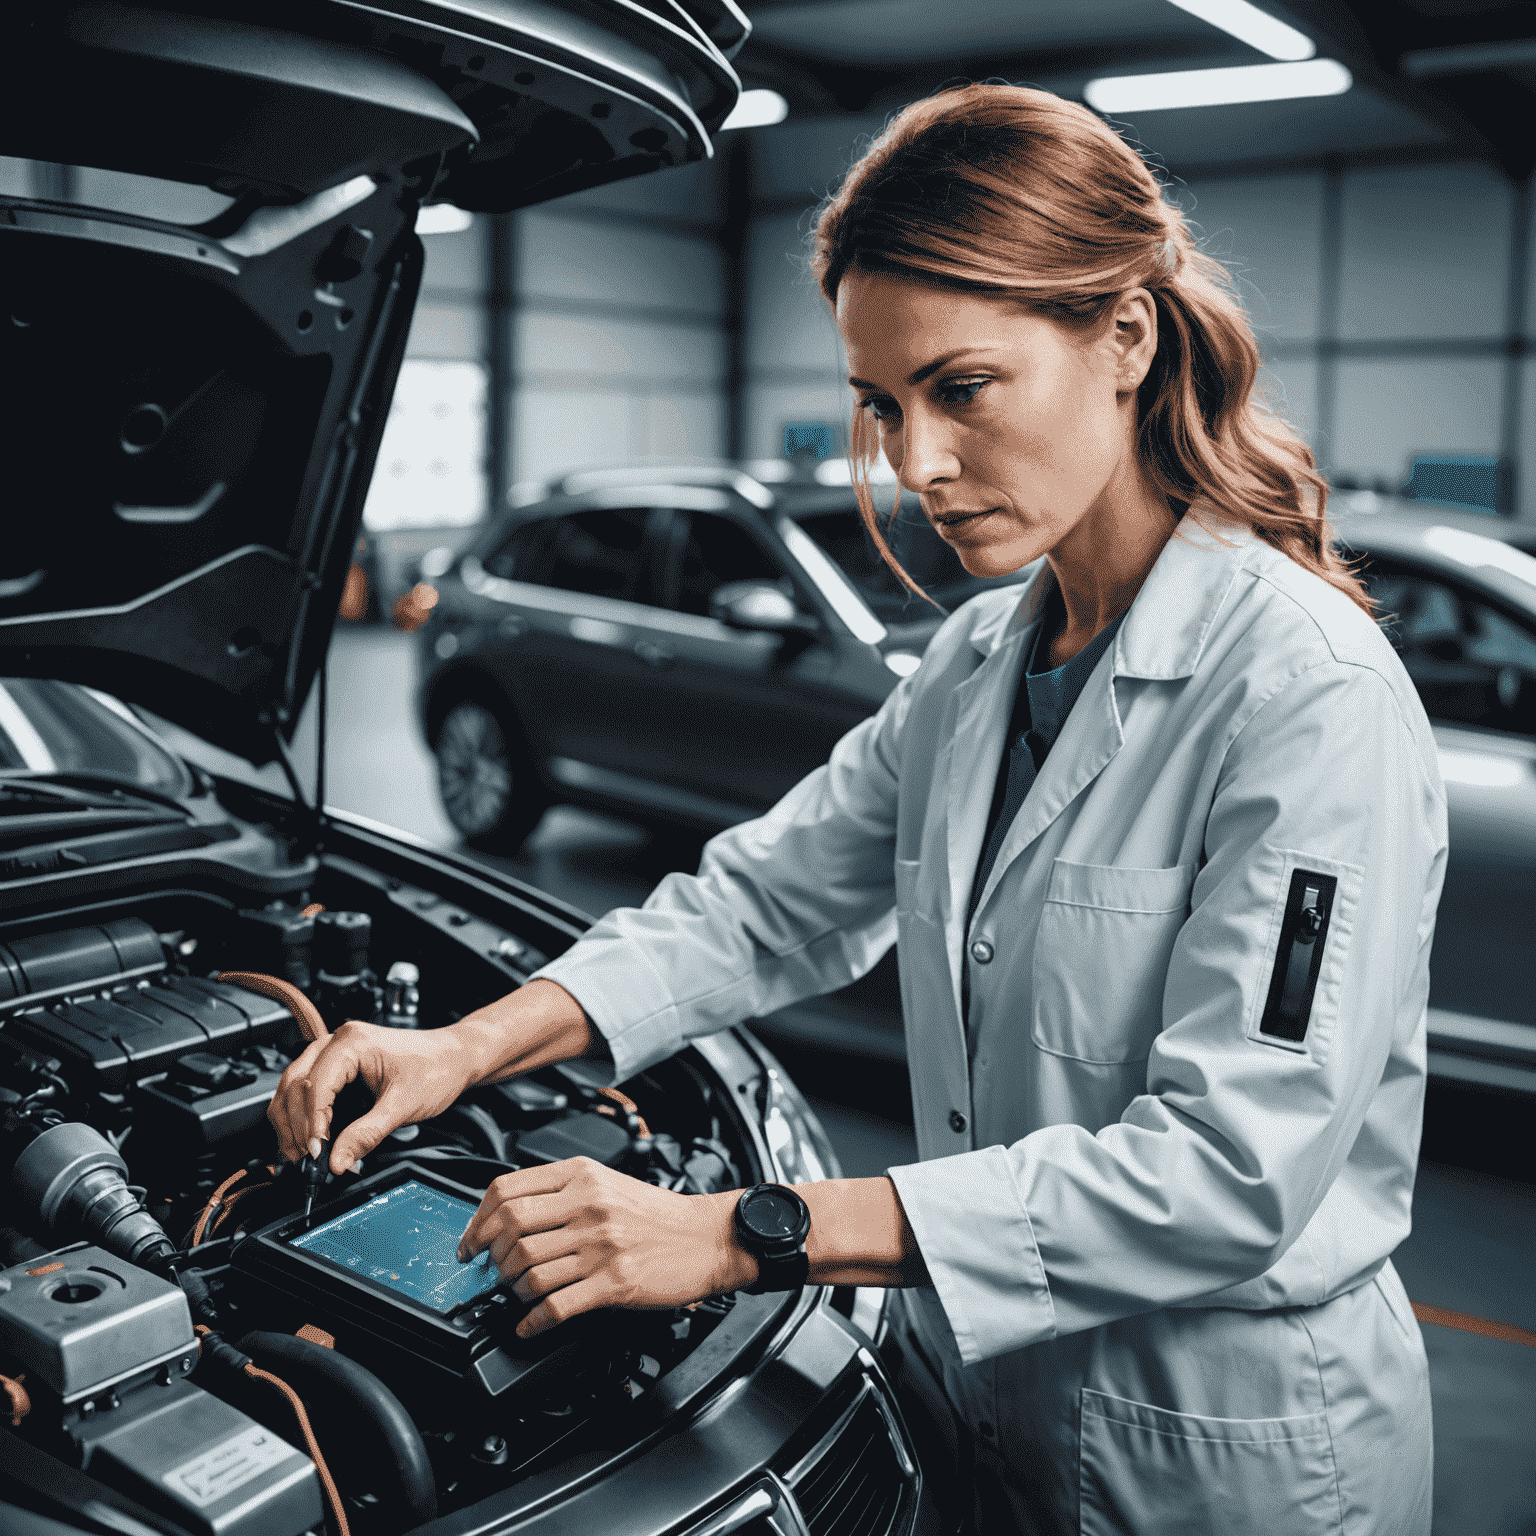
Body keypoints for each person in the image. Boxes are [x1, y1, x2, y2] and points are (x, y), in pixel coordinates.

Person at [269, 85, 1444, 1534]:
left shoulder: (1304, 692)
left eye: (962, 388)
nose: (914, 462)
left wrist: (736, 1235)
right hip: (982, 1398)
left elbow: (1228, 1172)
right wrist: (467, 1045)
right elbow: (764, 904)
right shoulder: (977, 659)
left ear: (1125, 339)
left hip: (1225, 1458)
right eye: (881, 404)